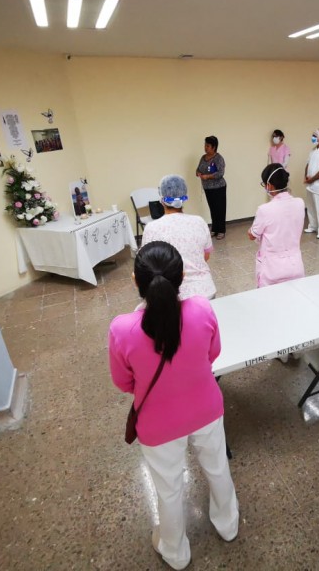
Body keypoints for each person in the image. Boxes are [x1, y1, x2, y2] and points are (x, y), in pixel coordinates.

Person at [109, 242, 239, 571]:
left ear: (135, 282)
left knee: (169, 489)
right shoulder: (202, 309)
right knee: (217, 468)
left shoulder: (122, 329)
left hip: (157, 424)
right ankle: (228, 525)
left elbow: (124, 383)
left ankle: (176, 552)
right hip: (207, 408)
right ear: (182, 276)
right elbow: (213, 353)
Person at [141, 175, 217, 300]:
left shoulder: (152, 228)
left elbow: (147, 264)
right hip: (205, 292)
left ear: (161, 199)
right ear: (184, 197)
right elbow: (206, 256)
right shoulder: (199, 222)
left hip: (172, 296)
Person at [248, 164, 305, 287]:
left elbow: (252, 235)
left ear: (269, 185)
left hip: (272, 271)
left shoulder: (264, 210)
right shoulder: (300, 203)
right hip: (296, 267)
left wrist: (250, 231)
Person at [196, 135, 227, 239]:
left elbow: (221, 173)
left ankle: (221, 230)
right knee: (212, 209)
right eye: (205, 145)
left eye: (208, 146)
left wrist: (208, 176)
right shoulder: (203, 157)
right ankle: (214, 229)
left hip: (219, 187)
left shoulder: (218, 158)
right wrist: (198, 173)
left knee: (220, 209)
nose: (205, 147)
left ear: (214, 147)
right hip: (208, 188)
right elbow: (198, 169)